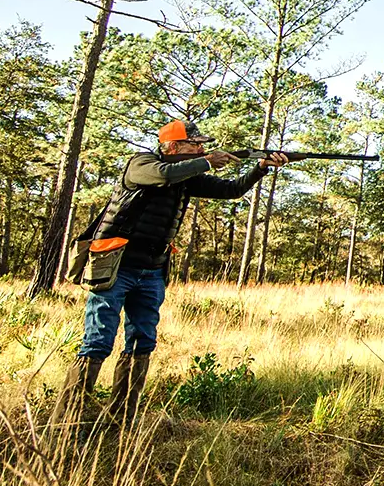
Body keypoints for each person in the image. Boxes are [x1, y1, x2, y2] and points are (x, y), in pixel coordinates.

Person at [63, 121, 286, 426]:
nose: (201, 149)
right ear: (172, 146)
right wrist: (207, 161)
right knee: (98, 339)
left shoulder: (188, 176)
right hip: (115, 265)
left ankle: (121, 418)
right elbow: (163, 174)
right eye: (194, 145)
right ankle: (70, 417)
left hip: (152, 269)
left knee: (142, 341)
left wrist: (260, 167)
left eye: (202, 146)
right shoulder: (141, 163)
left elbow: (232, 190)